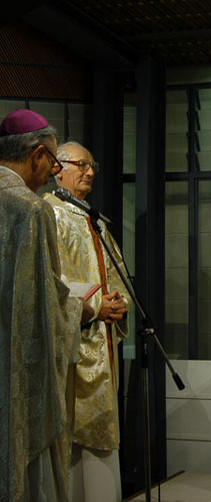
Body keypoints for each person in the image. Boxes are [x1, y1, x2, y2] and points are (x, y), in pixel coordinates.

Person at [0, 109, 93, 501]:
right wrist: (86, 310)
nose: (51, 171)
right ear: (37, 155)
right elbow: (44, 306)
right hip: (16, 368)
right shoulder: (30, 209)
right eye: (53, 161)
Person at [44, 141, 130, 502]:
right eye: (82, 164)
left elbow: (118, 275)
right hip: (69, 349)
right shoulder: (48, 215)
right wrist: (96, 304)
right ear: (57, 167)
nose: (90, 172)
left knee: (101, 456)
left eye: (93, 165)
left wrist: (120, 303)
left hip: (101, 345)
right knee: (70, 444)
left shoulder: (92, 218)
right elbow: (49, 282)